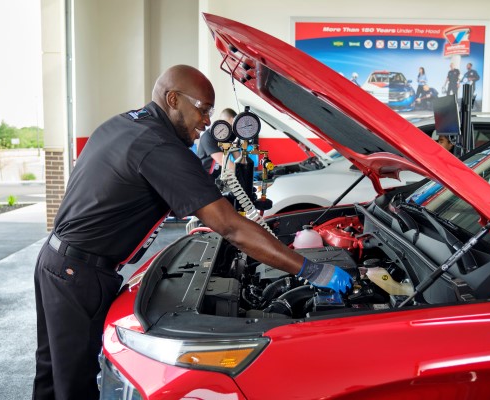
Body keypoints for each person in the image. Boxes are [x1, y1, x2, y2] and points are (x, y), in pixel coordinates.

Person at [32, 65, 352, 400]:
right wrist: (308, 267)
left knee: (51, 373)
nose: (207, 122)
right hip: (78, 273)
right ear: (172, 99)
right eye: (203, 110)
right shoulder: (158, 146)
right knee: (74, 385)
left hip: (57, 263)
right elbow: (228, 226)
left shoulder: (130, 124)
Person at [197, 108, 237, 179]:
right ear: (220, 122)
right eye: (227, 125)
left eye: (231, 127)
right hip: (204, 178)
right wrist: (242, 174)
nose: (228, 130)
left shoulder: (230, 134)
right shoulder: (208, 137)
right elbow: (223, 162)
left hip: (219, 177)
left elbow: (237, 156)